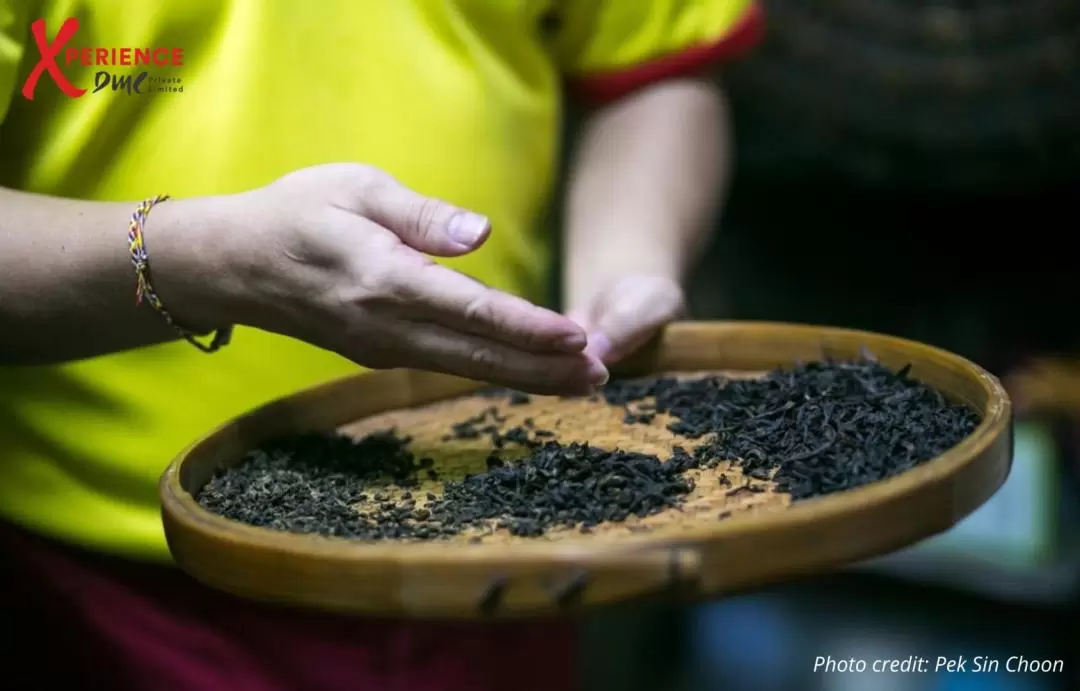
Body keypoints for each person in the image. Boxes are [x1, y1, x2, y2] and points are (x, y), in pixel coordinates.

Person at [0, 1, 763, 689]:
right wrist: (206, 261)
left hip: (503, 540)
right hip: (112, 590)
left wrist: (628, 261)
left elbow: (654, 71)